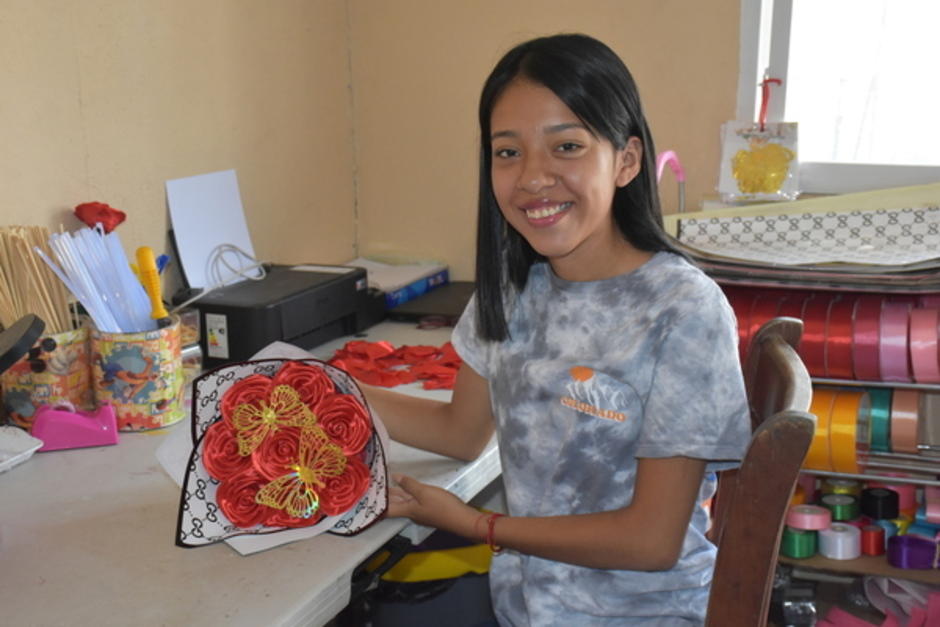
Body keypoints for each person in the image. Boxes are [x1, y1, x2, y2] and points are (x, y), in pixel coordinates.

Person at [363, 33, 751, 626]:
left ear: (626, 161)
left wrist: (477, 525)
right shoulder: (513, 289)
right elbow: (460, 431)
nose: (532, 177)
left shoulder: (683, 310)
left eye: (566, 146)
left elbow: (652, 541)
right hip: (524, 608)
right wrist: (325, 389)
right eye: (507, 152)